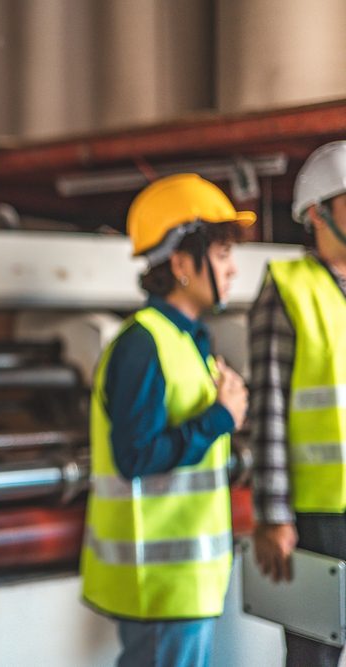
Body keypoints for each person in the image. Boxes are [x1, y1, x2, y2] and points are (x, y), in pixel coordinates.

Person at [80, 174, 252, 667]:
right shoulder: (143, 344)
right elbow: (137, 457)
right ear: (181, 263)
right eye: (221, 255)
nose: (234, 270)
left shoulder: (185, 340)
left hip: (183, 581)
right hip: (159, 584)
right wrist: (220, 417)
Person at [250, 140, 346, 667]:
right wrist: (273, 514)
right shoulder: (287, 289)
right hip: (316, 517)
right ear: (318, 213)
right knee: (314, 654)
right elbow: (267, 411)